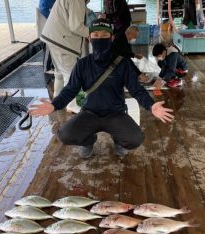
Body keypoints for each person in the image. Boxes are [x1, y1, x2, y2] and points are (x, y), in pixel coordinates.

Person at [29, 19, 174, 159]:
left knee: (135, 138)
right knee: (65, 135)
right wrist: (54, 105)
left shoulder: (123, 63)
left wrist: (151, 105)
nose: (100, 38)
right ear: (89, 39)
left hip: (115, 113)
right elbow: (70, 90)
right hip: (89, 113)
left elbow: (136, 90)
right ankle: (88, 140)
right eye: (96, 35)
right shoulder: (82, 64)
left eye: (104, 35)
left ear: (111, 38)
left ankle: (118, 139)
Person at [40, 0, 89, 114]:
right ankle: (72, 105)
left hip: (54, 38)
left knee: (59, 72)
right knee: (71, 74)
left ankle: (58, 97)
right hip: (62, 41)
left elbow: (79, 12)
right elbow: (76, 27)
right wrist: (91, 33)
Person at [38, 0, 56, 86]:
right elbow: (43, 8)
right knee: (48, 45)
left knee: (52, 46)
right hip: (48, 24)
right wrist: (53, 19)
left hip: (53, 23)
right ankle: (46, 68)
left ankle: (51, 66)